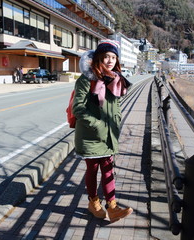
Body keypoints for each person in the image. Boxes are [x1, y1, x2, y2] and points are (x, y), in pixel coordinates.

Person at [72, 39, 133, 223]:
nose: (110, 60)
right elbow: (78, 108)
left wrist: (116, 122)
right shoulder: (86, 79)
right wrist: (98, 125)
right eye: (106, 56)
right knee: (93, 169)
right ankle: (94, 203)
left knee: (108, 169)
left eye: (113, 57)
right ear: (99, 57)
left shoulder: (115, 80)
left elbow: (115, 107)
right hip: (91, 134)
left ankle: (112, 207)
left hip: (109, 135)